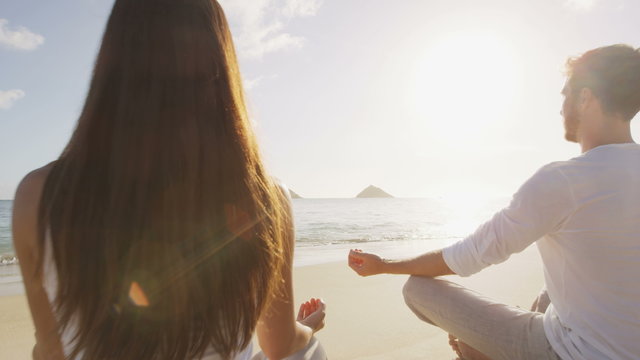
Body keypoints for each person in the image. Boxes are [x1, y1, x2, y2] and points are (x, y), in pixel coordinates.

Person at [12, 1, 326, 359]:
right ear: (220, 63)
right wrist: (309, 327)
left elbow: (50, 351)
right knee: (308, 352)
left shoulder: (37, 196)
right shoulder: (264, 198)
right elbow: (279, 344)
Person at [348, 44, 640, 360]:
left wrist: (383, 266)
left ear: (585, 98)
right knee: (551, 291)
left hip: (575, 352)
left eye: (565, 95)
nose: (561, 108)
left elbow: (470, 255)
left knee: (417, 290)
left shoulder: (563, 180)